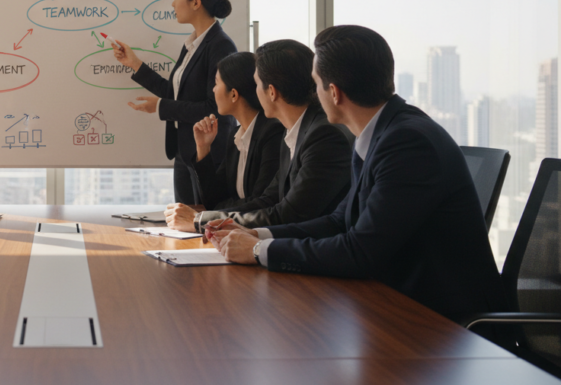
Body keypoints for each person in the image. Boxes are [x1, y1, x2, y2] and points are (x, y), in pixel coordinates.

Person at [209, 25, 506, 324]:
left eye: (316, 84)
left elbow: (360, 251)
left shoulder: (407, 143)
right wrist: (257, 235)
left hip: (444, 325)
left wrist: (259, 250)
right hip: (397, 304)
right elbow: (340, 220)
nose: (313, 94)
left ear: (334, 93)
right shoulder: (381, 133)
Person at [167, 40, 352, 232]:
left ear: (271, 92)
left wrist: (202, 221)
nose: (254, 92)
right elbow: (270, 200)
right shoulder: (294, 131)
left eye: (256, 83)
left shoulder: (322, 136)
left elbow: (288, 213)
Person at [111, 0, 238, 205]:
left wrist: (161, 108)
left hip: (208, 154)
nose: (172, 3)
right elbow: (176, 94)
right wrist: (135, 64)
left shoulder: (220, 46)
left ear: (195, 2)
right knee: (183, 225)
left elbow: (215, 108)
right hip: (185, 151)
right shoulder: (192, 44)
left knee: (202, 227)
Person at [168, 52, 284, 213]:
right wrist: (203, 148)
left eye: (216, 83)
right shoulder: (236, 136)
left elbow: (261, 203)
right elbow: (212, 200)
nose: (213, 90)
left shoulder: (273, 133)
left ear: (234, 94)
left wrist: (212, 214)